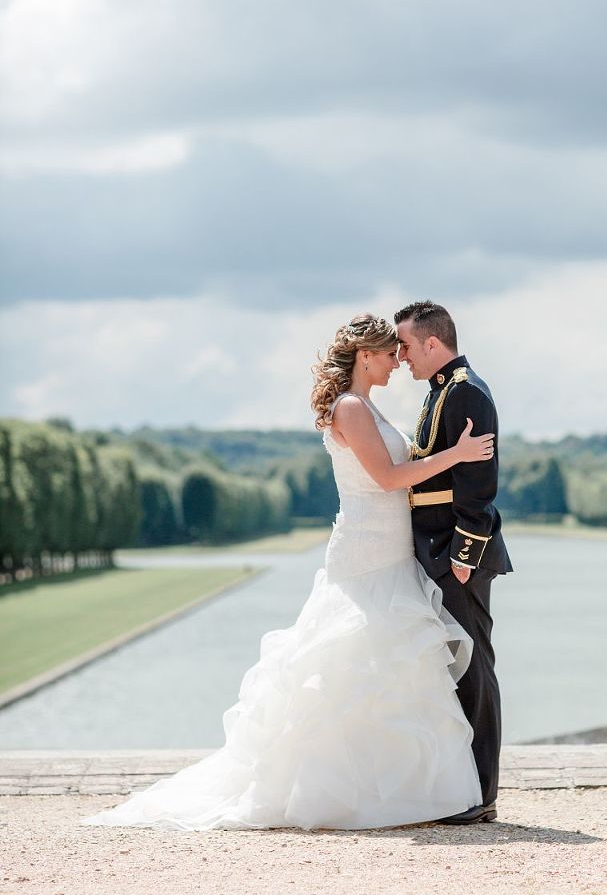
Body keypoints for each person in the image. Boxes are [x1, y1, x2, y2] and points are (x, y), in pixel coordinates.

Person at [82, 313, 494, 832]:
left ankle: (397, 787)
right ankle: (342, 788)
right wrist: (457, 455)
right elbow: (388, 478)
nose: (398, 361)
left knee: (389, 672)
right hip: (368, 552)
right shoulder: (350, 407)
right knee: (353, 664)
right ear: (366, 356)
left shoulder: (367, 406)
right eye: (390, 353)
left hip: (391, 549)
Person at [394, 300, 512, 825]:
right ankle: (459, 787)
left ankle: (480, 794)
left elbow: (479, 482)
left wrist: (465, 552)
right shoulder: (443, 388)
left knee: (474, 669)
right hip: (437, 546)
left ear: (432, 343)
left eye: (405, 346)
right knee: (453, 667)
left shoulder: (463, 390)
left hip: (456, 551)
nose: (400, 357)